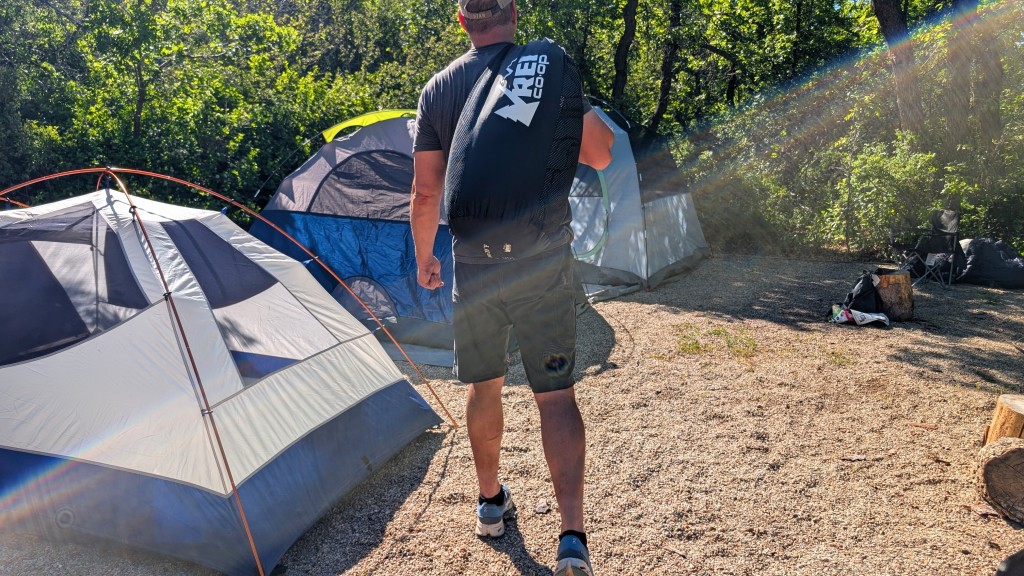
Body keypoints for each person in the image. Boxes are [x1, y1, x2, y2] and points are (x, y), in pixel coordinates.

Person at [410, 1, 613, 575]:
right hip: (541, 259)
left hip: (473, 262)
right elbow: (598, 153)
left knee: (484, 384)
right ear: (514, 13)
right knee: (555, 394)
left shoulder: (439, 89)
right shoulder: (541, 73)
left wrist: (426, 257)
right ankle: (571, 535)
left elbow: (426, 191)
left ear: (461, 20)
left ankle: (490, 502)